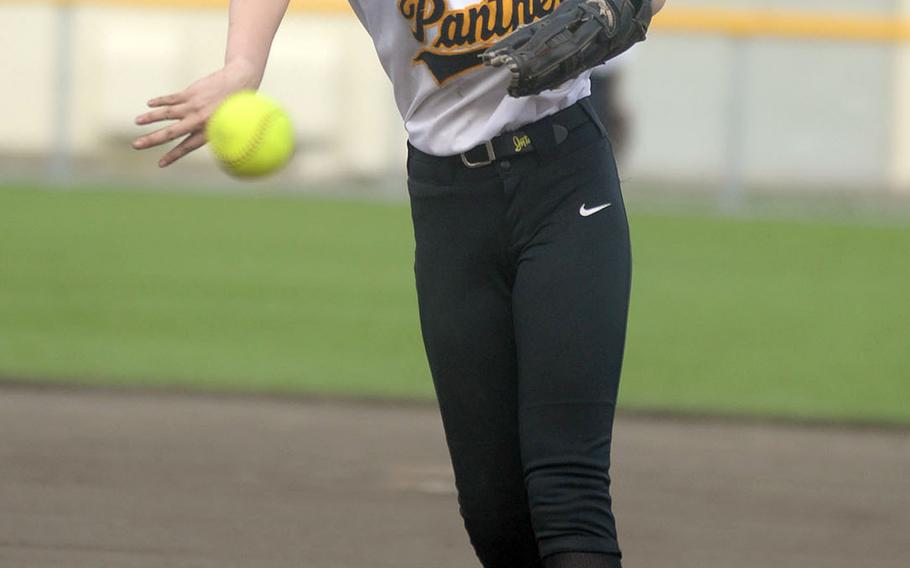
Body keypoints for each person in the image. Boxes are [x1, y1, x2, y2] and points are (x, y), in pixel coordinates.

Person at [133, 1, 665, 567]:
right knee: (493, 511)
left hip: (566, 182)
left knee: (567, 490)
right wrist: (242, 64)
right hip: (450, 207)